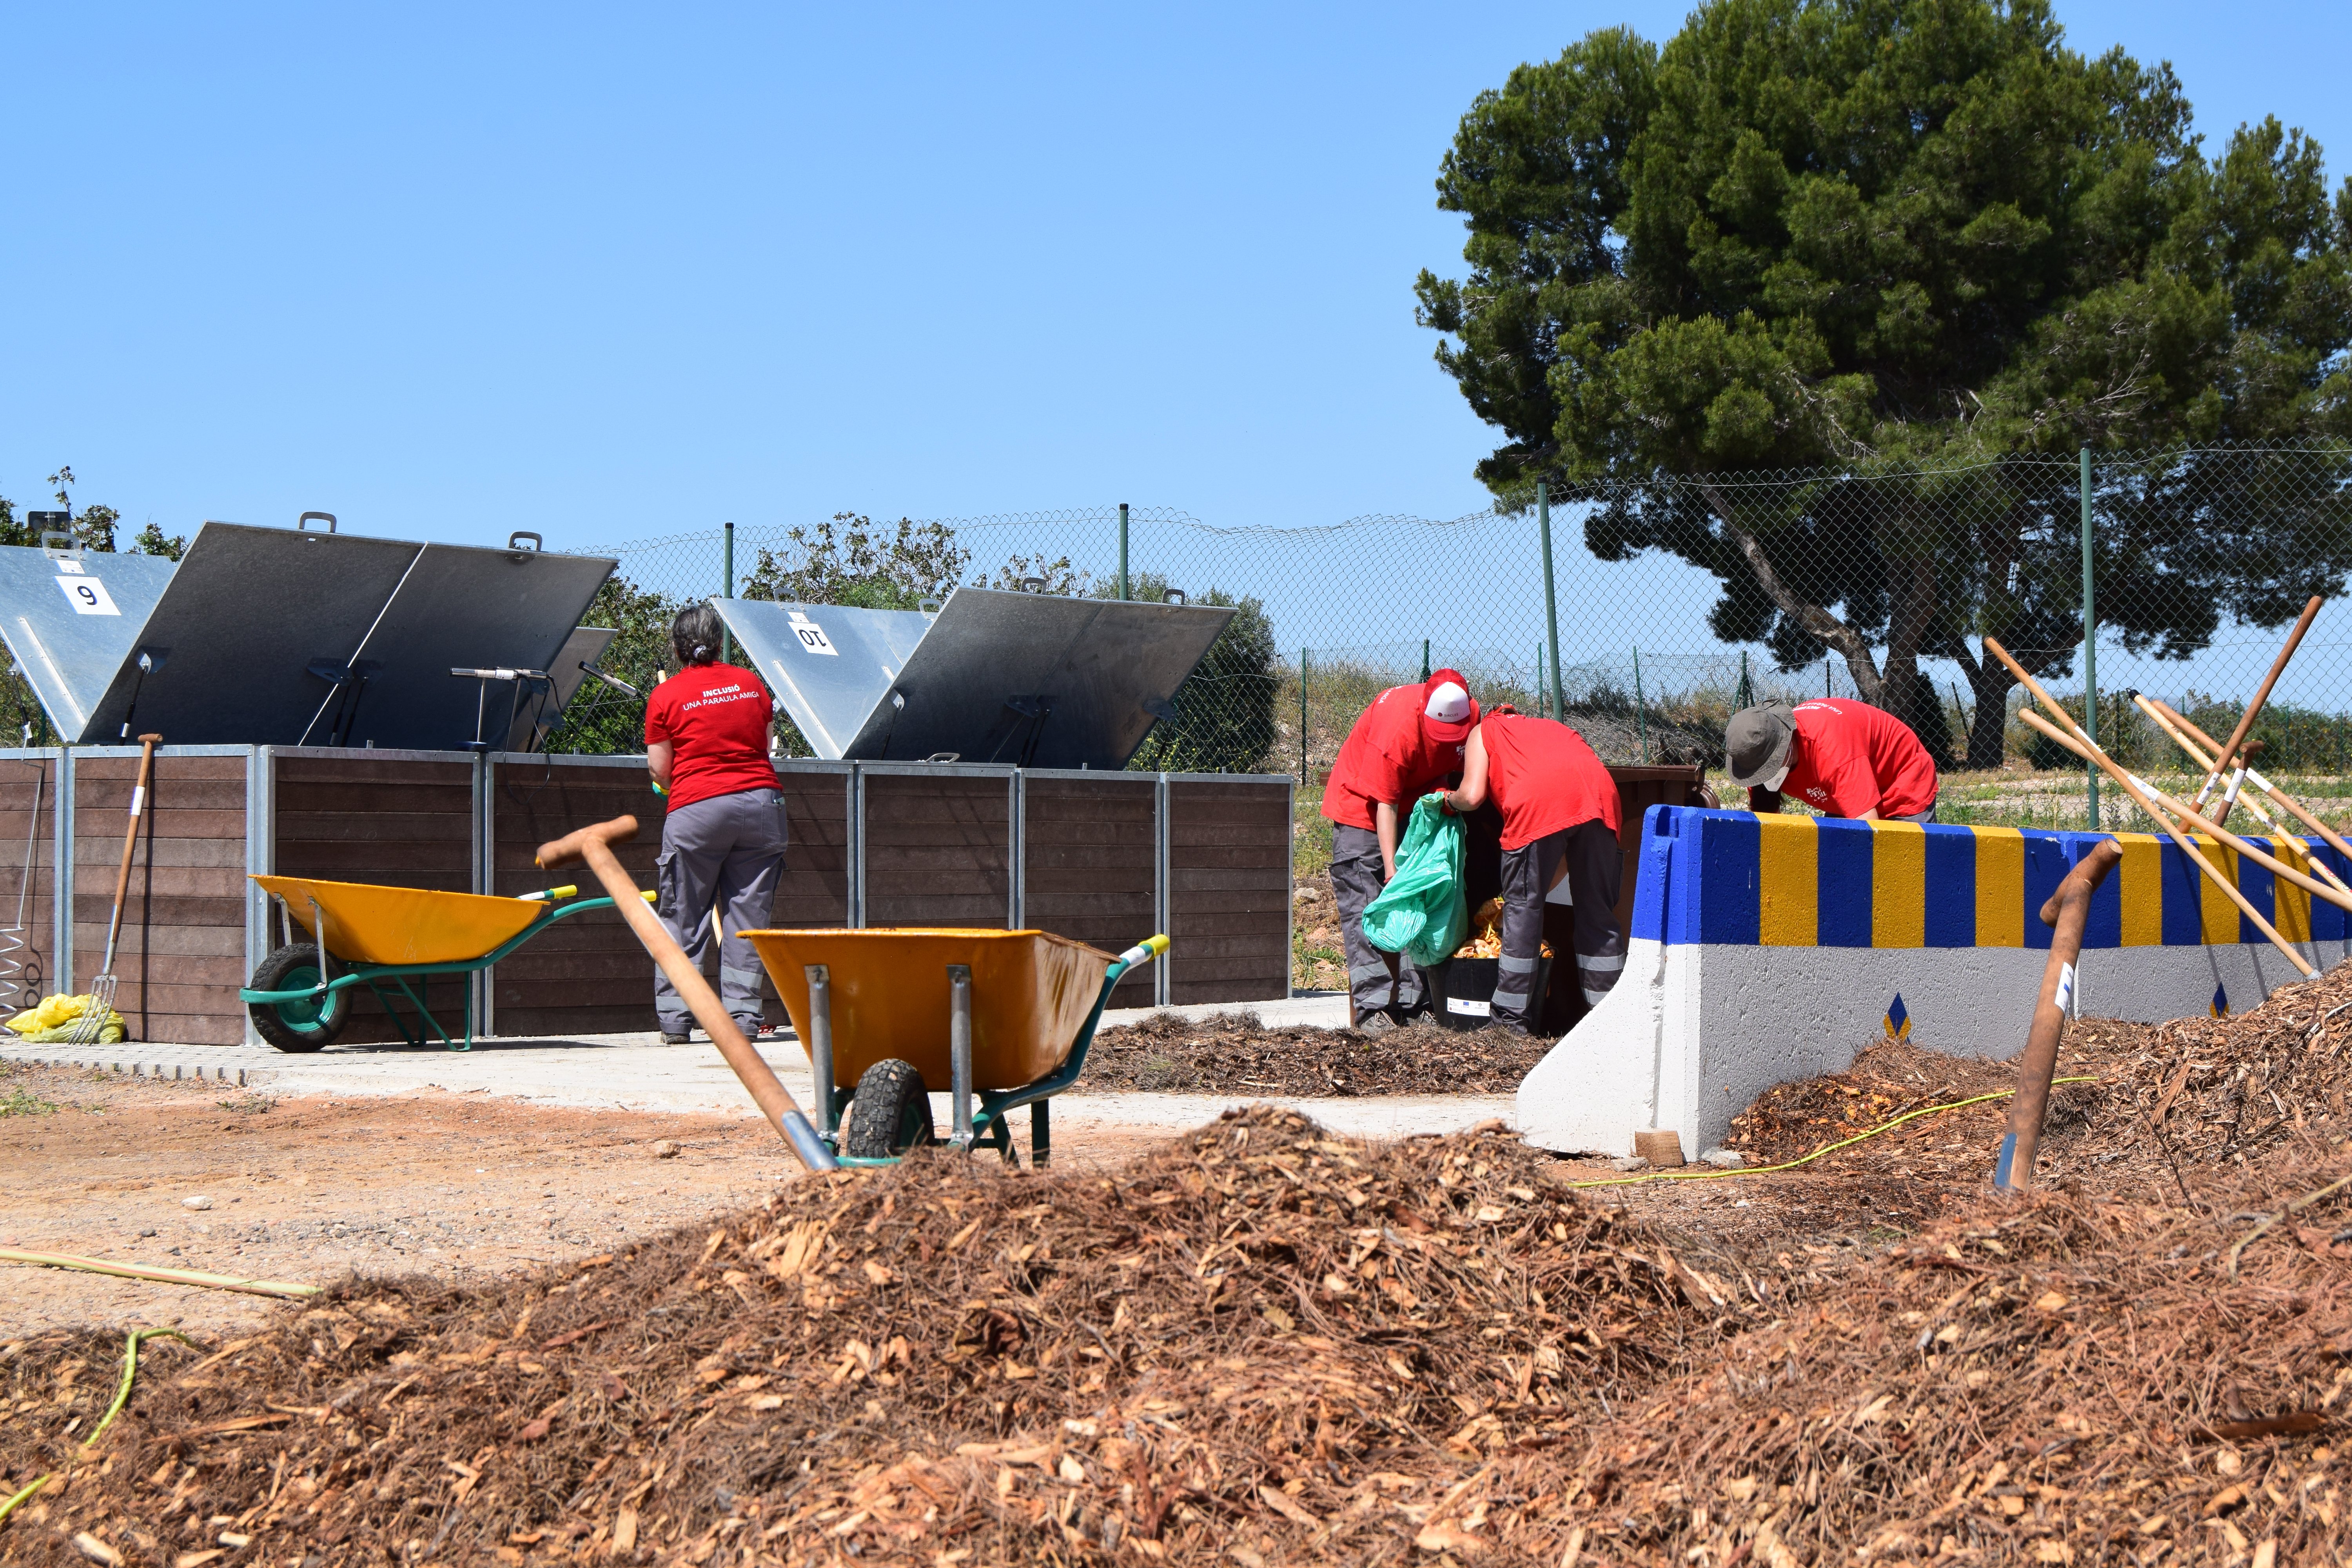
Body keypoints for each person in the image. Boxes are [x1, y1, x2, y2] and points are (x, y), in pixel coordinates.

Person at [644, 604, 789, 1045]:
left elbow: (659, 769)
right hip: (762, 808)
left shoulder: (666, 695)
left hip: (697, 811)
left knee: (683, 917)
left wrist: (673, 783)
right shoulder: (749, 684)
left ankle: (676, 1021)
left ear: (677, 647)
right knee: (748, 920)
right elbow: (763, 747)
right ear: (720, 642)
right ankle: (743, 1021)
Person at [1440, 708, 1624, 1036]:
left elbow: (1472, 795)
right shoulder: (1552, 728)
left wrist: (1447, 802)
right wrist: (1526, 889)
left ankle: (1509, 1025)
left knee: (1523, 914)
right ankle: (1611, 1021)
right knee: (1597, 913)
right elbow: (1562, 855)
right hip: (1600, 799)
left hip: (1539, 804)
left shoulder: (1485, 730)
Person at [1320, 668, 1481, 1033]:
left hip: (1417, 811)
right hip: (1363, 811)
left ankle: (1418, 1002)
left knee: (1416, 904)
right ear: (1425, 710)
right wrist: (1393, 870)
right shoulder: (1397, 731)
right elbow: (1385, 806)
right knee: (1367, 906)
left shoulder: (1470, 713)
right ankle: (1375, 1009)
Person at [1724, 697, 1939, 821]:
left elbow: (1870, 832)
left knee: (1903, 875)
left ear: (1785, 746)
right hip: (1851, 784)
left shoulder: (1832, 754)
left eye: (1767, 769)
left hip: (1900, 783)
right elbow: (1767, 821)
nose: (1763, 777)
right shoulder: (1754, 754)